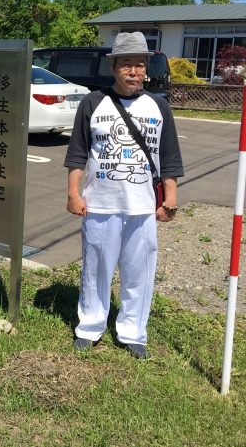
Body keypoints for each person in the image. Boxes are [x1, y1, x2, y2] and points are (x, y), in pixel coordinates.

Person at [64, 32, 184, 359]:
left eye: (140, 65)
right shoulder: (92, 102)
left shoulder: (158, 106)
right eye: (127, 64)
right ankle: (90, 327)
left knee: (139, 272)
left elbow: (169, 157)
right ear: (114, 66)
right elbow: (77, 153)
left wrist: (169, 197)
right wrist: (73, 193)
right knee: (95, 270)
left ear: (146, 70)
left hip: (143, 206)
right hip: (99, 204)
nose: (134, 71)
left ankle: (133, 332)